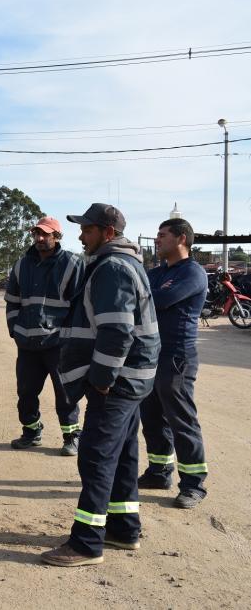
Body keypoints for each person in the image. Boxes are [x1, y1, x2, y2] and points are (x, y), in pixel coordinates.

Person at [41, 203, 160, 567]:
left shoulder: (111, 267)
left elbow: (116, 331)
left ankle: (86, 543)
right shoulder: (123, 263)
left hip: (118, 382)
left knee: (95, 457)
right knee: (123, 455)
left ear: (108, 233)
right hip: (133, 379)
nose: (81, 235)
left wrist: (103, 380)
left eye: (88, 229)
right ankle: (124, 529)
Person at [138, 218, 209, 509]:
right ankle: (159, 472)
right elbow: (140, 296)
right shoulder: (156, 273)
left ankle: (193, 485)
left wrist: (141, 297)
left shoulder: (193, 273)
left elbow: (159, 300)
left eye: (162, 235)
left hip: (176, 357)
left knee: (181, 420)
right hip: (151, 354)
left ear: (181, 239)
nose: (157, 240)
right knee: (152, 418)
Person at [4, 216, 85, 455]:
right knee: (26, 392)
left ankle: (71, 436)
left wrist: (70, 337)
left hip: (59, 345)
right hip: (27, 344)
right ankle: (31, 431)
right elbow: (12, 302)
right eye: (36, 234)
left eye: (45, 234)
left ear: (57, 236)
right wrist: (14, 330)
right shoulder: (21, 265)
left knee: (65, 393)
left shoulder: (72, 264)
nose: (39, 238)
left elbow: (79, 306)